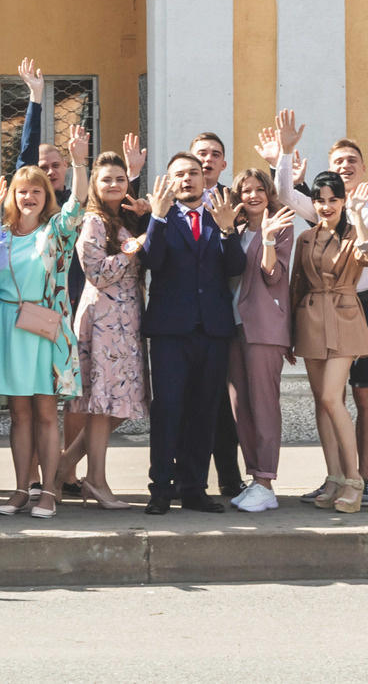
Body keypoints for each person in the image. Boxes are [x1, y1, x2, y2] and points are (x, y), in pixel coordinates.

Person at [139, 152, 249, 515]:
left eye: (194, 173)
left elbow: (235, 267)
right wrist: (155, 217)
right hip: (171, 331)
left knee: (204, 411)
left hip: (213, 330)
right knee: (168, 410)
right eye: (179, 174)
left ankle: (194, 488)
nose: (188, 179)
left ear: (206, 179)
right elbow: (151, 262)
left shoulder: (220, 217)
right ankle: (160, 489)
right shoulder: (162, 218)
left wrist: (228, 228)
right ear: (170, 181)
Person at [0, 152, 82, 517]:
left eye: (37, 190)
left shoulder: (55, 230)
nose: (29, 197)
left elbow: (77, 209)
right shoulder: (2, 233)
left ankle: (49, 492)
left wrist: (79, 165)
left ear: (46, 195)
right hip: (10, 327)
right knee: (19, 415)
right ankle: (22, 489)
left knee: (44, 413)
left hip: (43, 328)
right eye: (22, 191)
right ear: (13, 195)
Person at [290, 169, 368, 514]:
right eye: (320, 200)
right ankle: (333, 476)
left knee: (332, 396)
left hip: (344, 317)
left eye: (333, 200)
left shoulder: (356, 234)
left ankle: (355, 480)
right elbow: (296, 286)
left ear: (343, 201)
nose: (326, 206)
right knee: (321, 401)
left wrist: (357, 216)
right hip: (311, 318)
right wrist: (289, 336)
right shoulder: (306, 238)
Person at [70, 146, 148, 509]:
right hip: (103, 321)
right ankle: (96, 481)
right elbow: (97, 272)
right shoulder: (94, 221)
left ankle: (65, 467)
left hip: (126, 322)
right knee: (102, 406)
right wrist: (133, 249)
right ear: (95, 186)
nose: (115, 184)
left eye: (121, 179)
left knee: (118, 404)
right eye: (107, 180)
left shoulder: (125, 218)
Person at [224, 162, 291, 513]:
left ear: (268, 194)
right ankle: (256, 479)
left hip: (264, 328)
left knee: (264, 405)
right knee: (241, 407)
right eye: (246, 190)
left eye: (259, 189)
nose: (252, 195)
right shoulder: (232, 229)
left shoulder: (280, 228)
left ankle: (266, 481)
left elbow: (272, 273)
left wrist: (266, 237)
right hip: (233, 327)